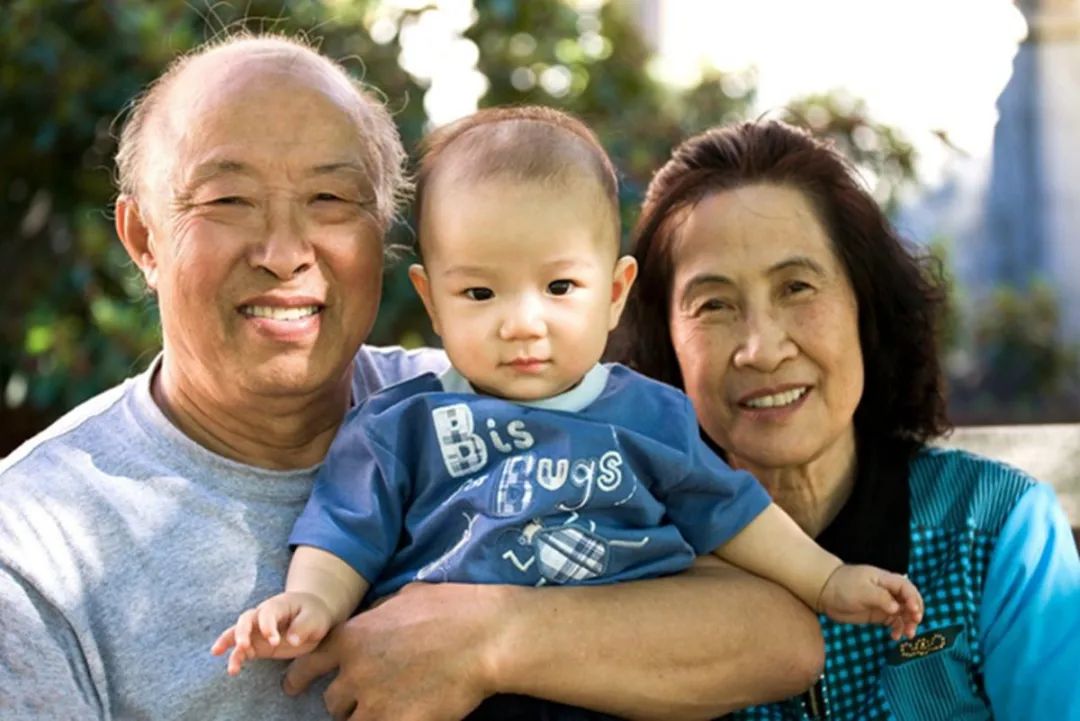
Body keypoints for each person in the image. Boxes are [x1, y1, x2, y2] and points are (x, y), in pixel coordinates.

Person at [0, 35, 828, 721]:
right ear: (143, 238)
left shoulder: (486, 397)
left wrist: (491, 635)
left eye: (331, 198)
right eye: (228, 201)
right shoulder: (37, 547)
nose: (286, 252)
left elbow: (777, 637)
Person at [211, 107, 923, 717]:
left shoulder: (650, 416)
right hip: (452, 699)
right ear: (430, 300)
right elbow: (344, 532)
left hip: (619, 682)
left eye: (559, 286)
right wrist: (309, 602)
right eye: (480, 294)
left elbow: (734, 514)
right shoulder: (402, 426)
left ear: (614, 292)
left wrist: (829, 578)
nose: (523, 323)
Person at [618, 119, 1080, 720]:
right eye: (714, 305)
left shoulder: (994, 528)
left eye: (797, 287)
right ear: (666, 343)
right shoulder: (631, 553)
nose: (763, 347)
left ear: (865, 304)